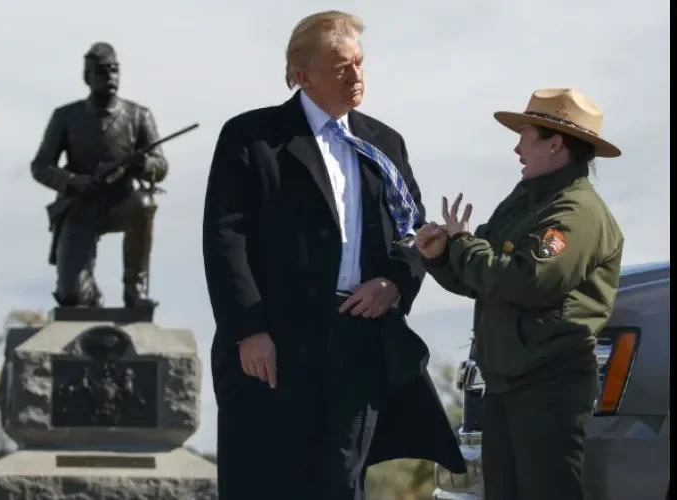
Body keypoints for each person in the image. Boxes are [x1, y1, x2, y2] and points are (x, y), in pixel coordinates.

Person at [202, 10, 465, 500]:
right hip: (272, 346)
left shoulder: (384, 144)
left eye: (359, 62)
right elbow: (225, 240)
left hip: (356, 342)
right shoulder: (251, 138)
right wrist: (249, 330)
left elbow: (411, 235)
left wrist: (395, 283)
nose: (356, 75)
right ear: (302, 75)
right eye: (341, 66)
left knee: (340, 484)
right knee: (265, 484)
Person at [415, 88, 625, 500]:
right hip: (509, 383)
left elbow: (527, 282)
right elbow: (485, 279)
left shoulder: (576, 212)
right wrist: (442, 256)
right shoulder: (525, 202)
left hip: (549, 385)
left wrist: (463, 245)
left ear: (556, 142)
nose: (516, 147)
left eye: (525, 135)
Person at [30, 42, 168, 308]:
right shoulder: (65, 116)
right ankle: (90, 297)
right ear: (88, 76)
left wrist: (142, 165)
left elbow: (161, 166)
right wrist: (73, 182)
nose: (111, 78)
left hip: (121, 202)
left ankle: (134, 290)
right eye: (103, 72)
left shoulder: (139, 116)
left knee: (145, 204)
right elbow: (40, 165)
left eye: (115, 71)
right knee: (72, 299)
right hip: (79, 207)